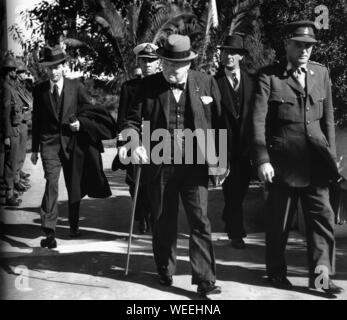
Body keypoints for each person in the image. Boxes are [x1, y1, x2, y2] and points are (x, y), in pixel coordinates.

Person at [120, 34, 223, 297]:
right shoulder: (147, 87)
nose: (172, 71)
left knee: (200, 221)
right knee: (164, 221)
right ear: (161, 62)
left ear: (188, 64)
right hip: (160, 164)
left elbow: (218, 124)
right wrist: (134, 143)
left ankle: (205, 279)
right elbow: (130, 122)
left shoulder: (206, 82)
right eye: (166, 65)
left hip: (195, 165)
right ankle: (165, 268)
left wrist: (219, 164)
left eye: (177, 66)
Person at [252, 20, 344, 294]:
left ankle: (321, 278)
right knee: (279, 222)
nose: (305, 50)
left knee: (322, 222)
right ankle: (276, 272)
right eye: (299, 45)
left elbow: (328, 119)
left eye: (309, 46)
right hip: (283, 163)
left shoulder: (321, 74)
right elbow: (257, 123)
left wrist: (332, 157)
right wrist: (262, 159)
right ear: (287, 45)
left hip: (316, 163)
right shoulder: (269, 77)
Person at [31, 46, 115, 249]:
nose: (53, 71)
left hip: (73, 143)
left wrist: (81, 124)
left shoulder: (76, 86)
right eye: (49, 68)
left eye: (57, 67)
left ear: (64, 67)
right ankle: (49, 230)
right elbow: (37, 120)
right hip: (49, 144)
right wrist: (34, 148)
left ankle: (74, 225)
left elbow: (89, 110)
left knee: (73, 185)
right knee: (51, 182)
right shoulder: (39, 90)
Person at [114, 43, 160, 234]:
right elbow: (123, 117)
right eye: (144, 61)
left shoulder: (162, 85)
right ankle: (140, 216)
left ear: (158, 63)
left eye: (152, 60)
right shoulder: (130, 87)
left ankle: (152, 214)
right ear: (139, 63)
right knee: (135, 181)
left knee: (154, 181)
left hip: (158, 141)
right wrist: (122, 144)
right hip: (135, 140)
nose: (148, 64)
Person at [215, 33, 254, 249]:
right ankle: (236, 233)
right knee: (230, 190)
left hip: (246, 148)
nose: (229, 56)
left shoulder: (253, 81)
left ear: (241, 57)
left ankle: (229, 215)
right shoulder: (214, 82)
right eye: (226, 52)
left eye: (234, 53)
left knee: (241, 190)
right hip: (224, 147)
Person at [0, 55, 24, 206]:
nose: (16, 72)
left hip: (16, 129)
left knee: (12, 161)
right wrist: (7, 135)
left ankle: (11, 191)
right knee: (9, 163)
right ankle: (9, 195)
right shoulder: (6, 88)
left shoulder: (11, 86)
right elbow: (5, 113)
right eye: (14, 70)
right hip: (11, 131)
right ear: (9, 72)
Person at [14, 59, 33, 192]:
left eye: (24, 72)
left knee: (21, 152)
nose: (23, 75)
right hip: (19, 121)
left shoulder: (22, 85)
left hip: (24, 120)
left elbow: (29, 99)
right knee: (16, 153)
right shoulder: (14, 86)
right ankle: (15, 179)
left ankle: (18, 174)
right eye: (21, 72)